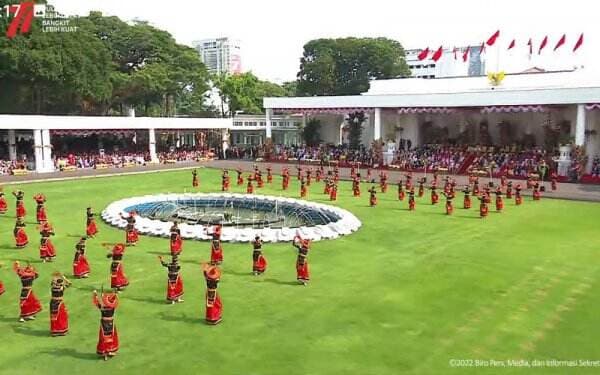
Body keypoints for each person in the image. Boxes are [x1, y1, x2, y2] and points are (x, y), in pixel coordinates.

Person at [93, 289, 120, 360]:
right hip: (111, 323)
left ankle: (105, 353)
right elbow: (113, 299)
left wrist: (95, 295)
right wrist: (114, 294)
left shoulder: (102, 308)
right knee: (111, 337)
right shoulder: (113, 306)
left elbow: (96, 302)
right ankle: (109, 351)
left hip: (103, 323)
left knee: (103, 338)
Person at [49, 272, 71, 336]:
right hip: (59, 303)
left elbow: (53, 282)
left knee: (54, 316)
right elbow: (69, 283)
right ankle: (61, 330)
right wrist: (63, 278)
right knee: (61, 317)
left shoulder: (53, 287)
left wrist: (56, 277)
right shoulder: (62, 287)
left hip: (53, 302)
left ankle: (54, 331)